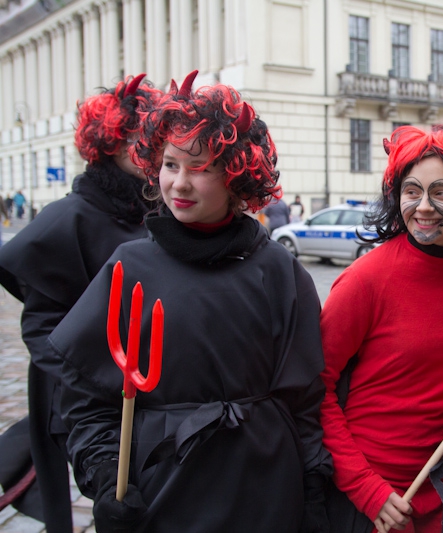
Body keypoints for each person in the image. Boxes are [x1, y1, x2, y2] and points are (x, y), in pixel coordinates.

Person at [47, 72, 331, 533]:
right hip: (163, 487)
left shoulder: (277, 269)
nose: (178, 183)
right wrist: (104, 479)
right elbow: (87, 402)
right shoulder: (128, 267)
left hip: (265, 488)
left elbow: (306, 398)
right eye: (170, 164)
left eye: (199, 168)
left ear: (237, 176)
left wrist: (315, 486)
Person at [320, 116, 443, 533]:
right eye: (412, 191)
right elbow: (316, 390)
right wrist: (363, 487)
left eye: (441, 192)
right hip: (373, 494)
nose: (423, 207)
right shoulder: (364, 280)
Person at [0, 74, 161, 533]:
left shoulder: (159, 205)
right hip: (83, 393)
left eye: (152, 137)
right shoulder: (67, 218)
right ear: (108, 142)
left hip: (148, 390)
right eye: (136, 138)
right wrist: (101, 379)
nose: (146, 149)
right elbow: (42, 329)